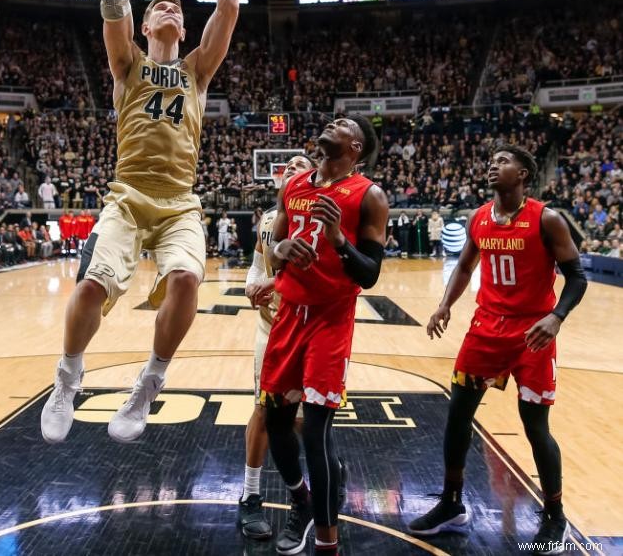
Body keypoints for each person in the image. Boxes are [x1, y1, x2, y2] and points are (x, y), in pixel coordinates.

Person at [40, 0, 239, 445]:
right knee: (88, 291)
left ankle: (150, 382)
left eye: (179, 5)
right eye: (161, 7)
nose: (172, 7)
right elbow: (111, 2)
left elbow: (228, 9)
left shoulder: (198, 70)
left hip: (179, 201)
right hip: (126, 196)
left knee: (186, 280)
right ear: (146, 24)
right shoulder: (128, 63)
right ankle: (68, 377)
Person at [408, 145, 587, 554]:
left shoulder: (547, 219)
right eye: (492, 161)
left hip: (533, 333)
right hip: (486, 327)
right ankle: (451, 504)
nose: (493, 165)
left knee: (535, 427)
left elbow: (576, 277)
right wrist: (444, 305)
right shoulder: (479, 217)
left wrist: (556, 316)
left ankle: (554, 516)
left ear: (524, 174)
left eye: (504, 161)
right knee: (457, 415)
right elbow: (467, 266)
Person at [263, 116, 388, 556]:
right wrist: (277, 252)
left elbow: (370, 274)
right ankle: (303, 501)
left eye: (342, 124)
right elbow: (274, 248)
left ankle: (326, 543)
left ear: (355, 146)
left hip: (332, 319)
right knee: (276, 421)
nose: (331, 123)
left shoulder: (369, 195)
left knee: (315, 431)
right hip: (287, 315)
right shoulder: (294, 184)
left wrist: (337, 240)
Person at [238, 154, 320, 540]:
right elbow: (257, 267)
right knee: (262, 411)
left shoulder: (318, 216)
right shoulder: (268, 220)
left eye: (301, 163)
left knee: (306, 420)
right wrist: (251, 286)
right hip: (270, 328)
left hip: (311, 327)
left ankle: (313, 487)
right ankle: (250, 496)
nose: (291, 166)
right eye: (286, 164)